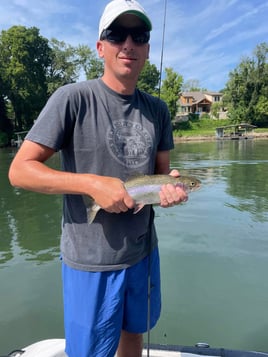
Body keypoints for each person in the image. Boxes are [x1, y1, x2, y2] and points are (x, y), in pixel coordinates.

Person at [8, 0, 188, 356]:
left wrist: (172, 188)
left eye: (139, 35)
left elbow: (163, 173)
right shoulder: (71, 99)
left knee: (134, 333)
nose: (128, 44)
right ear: (100, 46)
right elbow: (19, 171)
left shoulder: (159, 109)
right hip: (90, 262)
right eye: (117, 34)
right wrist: (90, 184)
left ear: (148, 49)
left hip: (143, 253)